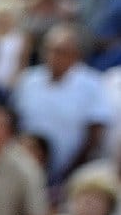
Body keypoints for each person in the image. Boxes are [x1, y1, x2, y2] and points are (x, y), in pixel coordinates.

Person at [12, 24, 112, 181]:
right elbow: (15, 121)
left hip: (68, 172)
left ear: (75, 55)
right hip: (23, 168)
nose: (53, 56)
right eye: (49, 49)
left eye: (61, 52)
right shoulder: (29, 80)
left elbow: (94, 133)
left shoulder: (92, 84)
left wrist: (70, 172)